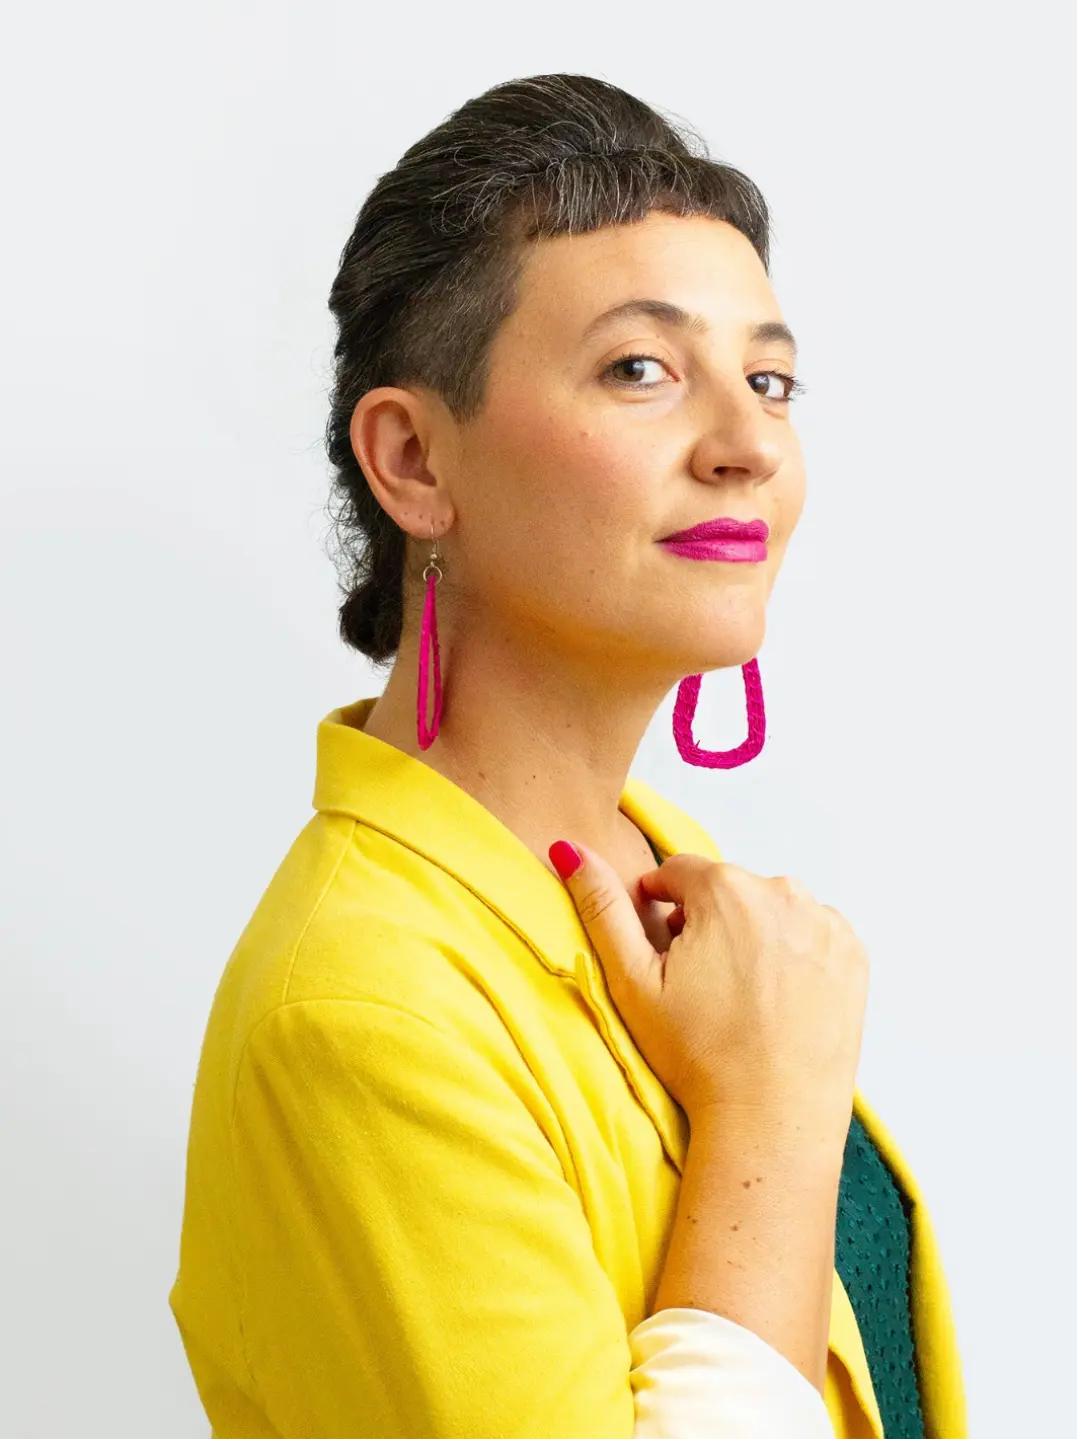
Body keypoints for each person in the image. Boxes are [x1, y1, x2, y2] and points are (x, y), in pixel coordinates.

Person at [168, 72, 968, 1439]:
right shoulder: (362, 1012)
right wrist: (771, 1114)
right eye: (640, 369)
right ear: (414, 460)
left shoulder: (678, 879)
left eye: (770, 380)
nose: (748, 445)